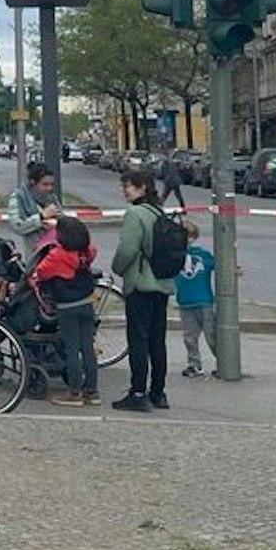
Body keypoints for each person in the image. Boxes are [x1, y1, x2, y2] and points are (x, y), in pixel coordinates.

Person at [110, 169, 176, 413]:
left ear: (143, 188)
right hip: (162, 284)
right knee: (157, 341)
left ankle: (137, 393)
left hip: (140, 283)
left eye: (129, 186)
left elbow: (127, 250)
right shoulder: (159, 212)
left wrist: (117, 268)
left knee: (138, 340)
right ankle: (158, 392)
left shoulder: (135, 214)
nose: (124, 190)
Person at [32, 215, 100, 407]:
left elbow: (42, 272)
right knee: (87, 348)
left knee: (71, 350)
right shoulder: (86, 252)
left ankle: (74, 393)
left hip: (67, 307)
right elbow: (92, 249)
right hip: (86, 303)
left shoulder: (57, 255)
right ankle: (92, 392)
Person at [175, 222, 216, 378]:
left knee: (211, 335)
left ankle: (223, 362)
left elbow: (218, 265)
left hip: (204, 301)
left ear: (194, 237)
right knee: (189, 337)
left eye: (190, 236)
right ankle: (194, 364)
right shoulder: (175, 256)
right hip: (185, 302)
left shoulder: (203, 255)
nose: (187, 239)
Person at [8, 163, 62, 261]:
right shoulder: (19, 197)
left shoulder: (51, 197)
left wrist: (58, 222)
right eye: (45, 184)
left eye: (51, 184)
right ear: (33, 182)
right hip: (35, 253)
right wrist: (40, 217)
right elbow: (17, 226)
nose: (49, 188)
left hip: (56, 250)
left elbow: (63, 220)